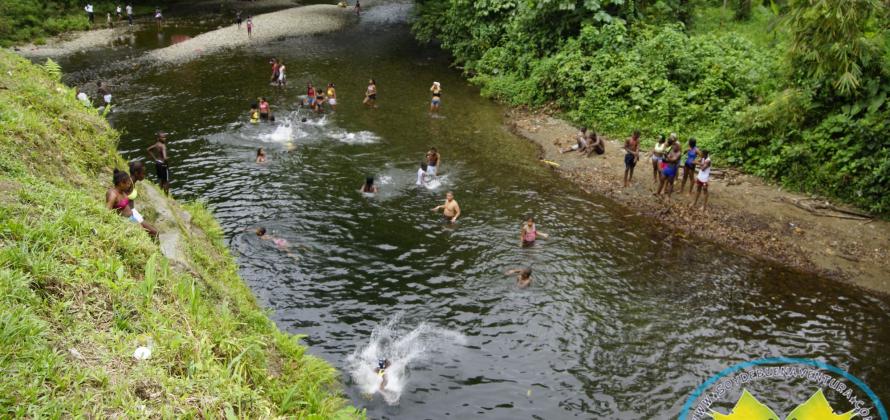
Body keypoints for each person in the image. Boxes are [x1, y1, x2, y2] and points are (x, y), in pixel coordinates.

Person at [106, 169, 158, 238]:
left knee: (149, 234)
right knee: (143, 236)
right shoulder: (113, 194)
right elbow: (107, 211)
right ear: (121, 183)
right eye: (128, 183)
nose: (129, 185)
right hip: (126, 221)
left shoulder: (122, 191)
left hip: (132, 218)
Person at [126, 161, 160, 237]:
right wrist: (131, 218)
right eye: (143, 173)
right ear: (136, 173)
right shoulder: (129, 183)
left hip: (133, 211)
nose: (144, 176)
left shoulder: (132, 182)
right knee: (155, 232)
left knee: (152, 230)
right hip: (130, 214)